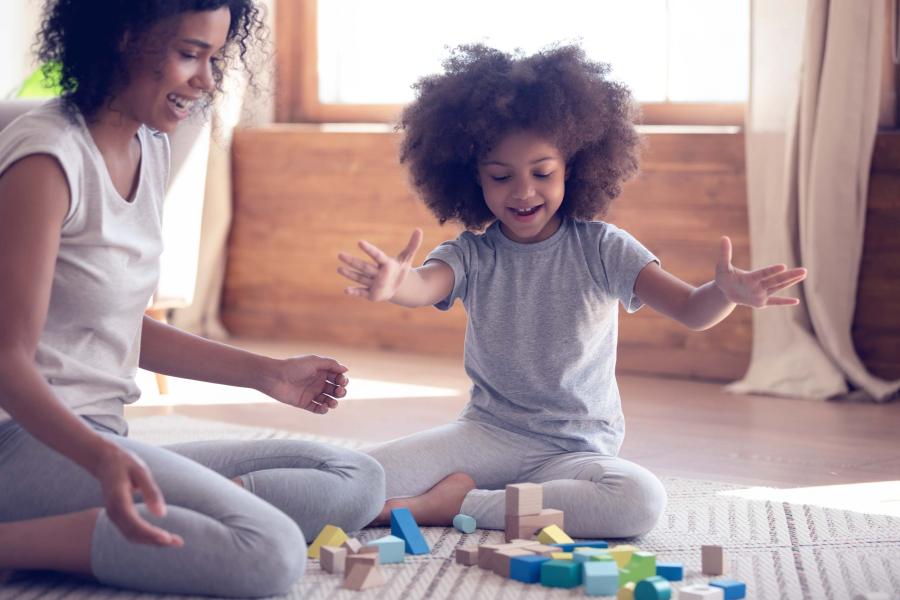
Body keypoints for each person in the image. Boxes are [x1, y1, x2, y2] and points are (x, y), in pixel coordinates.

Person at [337, 44, 807, 540]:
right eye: (501, 176)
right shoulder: (473, 253)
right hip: (485, 436)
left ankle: (461, 504)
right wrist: (395, 284)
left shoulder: (603, 248)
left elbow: (691, 310)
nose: (523, 192)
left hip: (577, 452)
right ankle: (481, 501)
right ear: (472, 177)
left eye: (542, 173)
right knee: (350, 478)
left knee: (637, 501)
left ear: (575, 168)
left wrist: (724, 292)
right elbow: (425, 283)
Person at [0, 1, 384, 596]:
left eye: (213, 58)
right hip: (20, 444)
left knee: (354, 475)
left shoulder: (148, 143)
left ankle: (180, 520)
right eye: (189, 55)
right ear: (124, 39)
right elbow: (6, 361)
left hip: (103, 437)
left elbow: (119, 324)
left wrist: (268, 374)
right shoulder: (47, 159)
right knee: (271, 554)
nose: (205, 81)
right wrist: (100, 460)